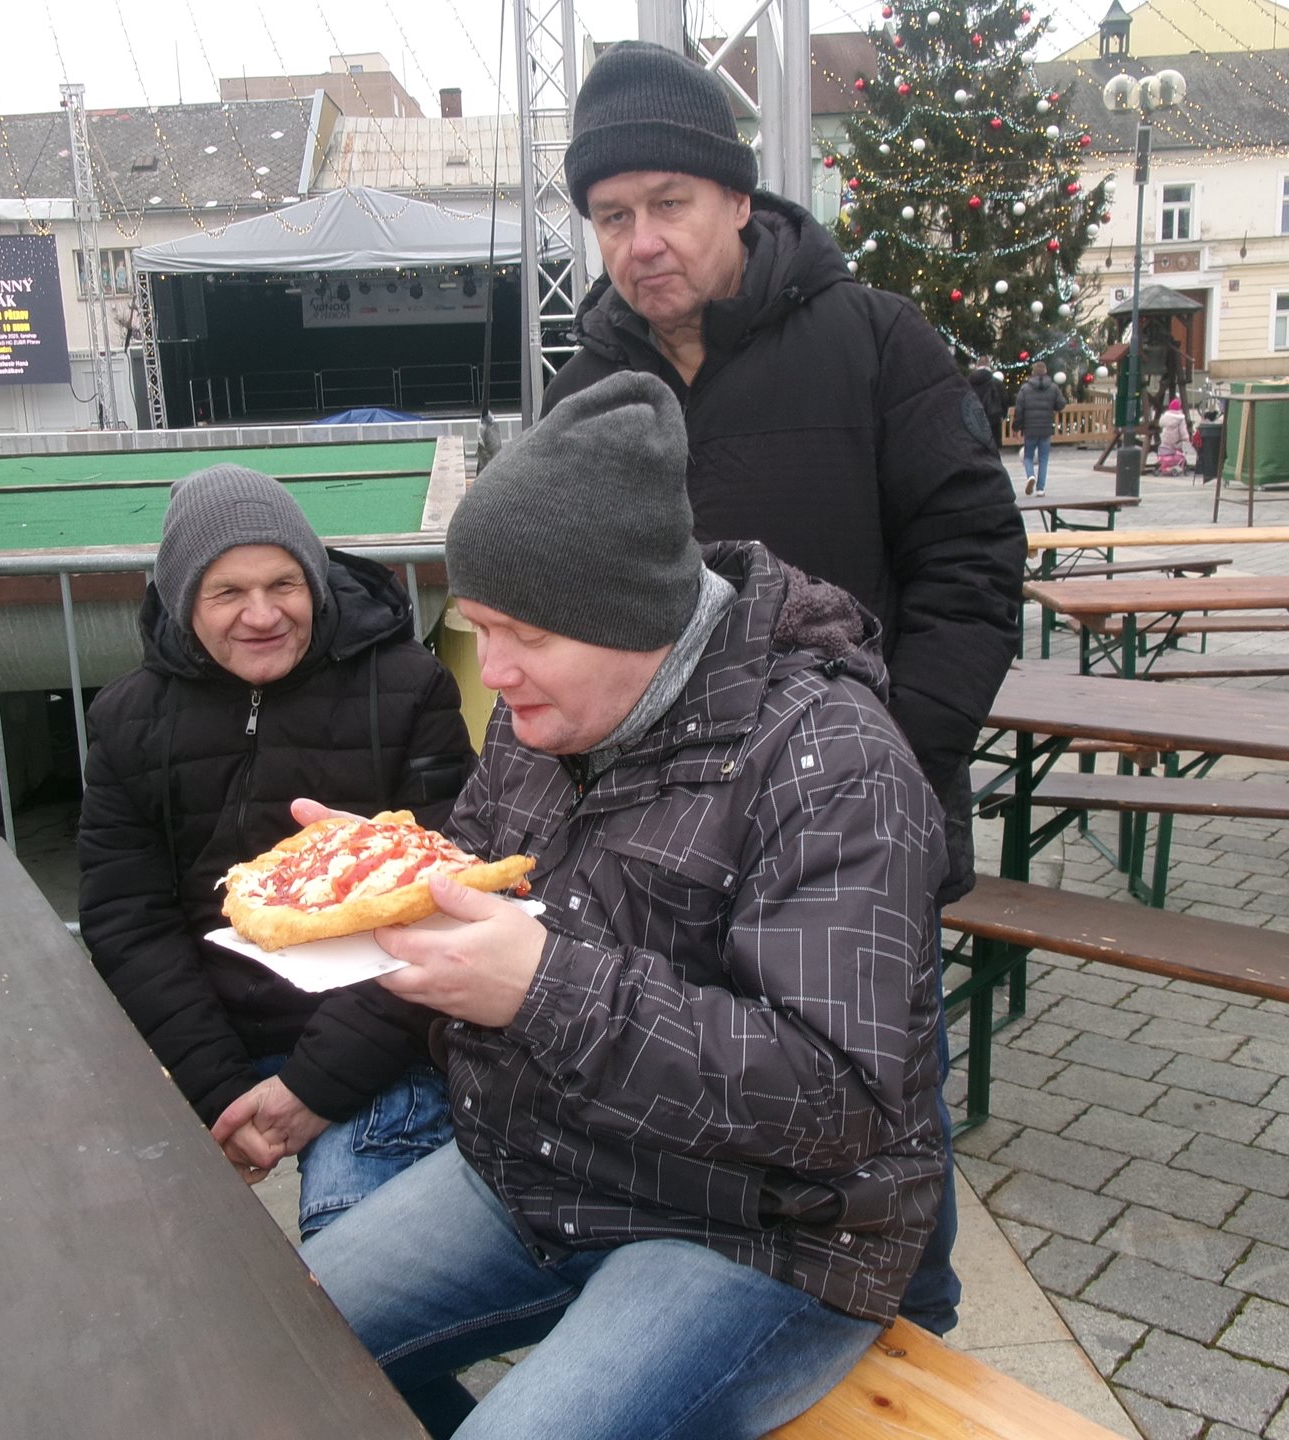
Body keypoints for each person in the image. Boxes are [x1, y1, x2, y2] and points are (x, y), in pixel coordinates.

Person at [262, 372, 946, 1440]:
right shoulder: (538, 718)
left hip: (760, 1232)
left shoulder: (835, 763)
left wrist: (542, 989)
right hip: (537, 1170)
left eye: (523, 635)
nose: (493, 672)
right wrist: (375, 876)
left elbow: (836, 1102)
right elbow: (476, 895)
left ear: (631, 616)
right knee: (260, 1340)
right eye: (477, 627)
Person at [542, 37, 1017, 1337]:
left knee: (883, 1108)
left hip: (858, 820)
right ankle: (727, 1331)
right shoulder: (587, 390)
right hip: (665, 840)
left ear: (739, 199)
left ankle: (916, 1342)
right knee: (709, 1094)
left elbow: (973, 564)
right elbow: (562, 610)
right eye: (612, 215)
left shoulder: (875, 340)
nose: (642, 241)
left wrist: (899, 771)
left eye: (669, 203)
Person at [78, 464, 475, 1233]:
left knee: (354, 1250)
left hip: (378, 1037)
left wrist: (312, 1089)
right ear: (184, 600)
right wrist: (221, 1091)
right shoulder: (128, 720)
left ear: (315, 583)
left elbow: (444, 900)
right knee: (143, 1248)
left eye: (283, 584)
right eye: (227, 592)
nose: (261, 615)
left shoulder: (407, 688)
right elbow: (130, 923)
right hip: (202, 1036)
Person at [1013, 361, 1066, 495]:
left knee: (1028, 456)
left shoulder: (1025, 389)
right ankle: (1040, 488)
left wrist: (1016, 427)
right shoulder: (1053, 387)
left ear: (1032, 372)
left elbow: (1019, 410)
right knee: (1043, 459)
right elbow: (1061, 405)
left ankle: (1031, 475)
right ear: (1046, 371)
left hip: (1030, 428)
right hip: (1046, 427)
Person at [968, 362, 1009, 450]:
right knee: (993, 446)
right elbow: (1004, 399)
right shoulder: (997, 382)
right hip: (993, 417)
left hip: (974, 417)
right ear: (989, 366)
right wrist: (1003, 414)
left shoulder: (969, 381)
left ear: (977, 366)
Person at [1156, 396, 1195, 477]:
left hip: (1165, 441)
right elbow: (1183, 431)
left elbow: (1160, 424)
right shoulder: (1180, 419)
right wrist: (1186, 439)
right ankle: (1179, 466)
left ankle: (1165, 466)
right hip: (1176, 441)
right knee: (1180, 453)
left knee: (1165, 450)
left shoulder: (1165, 417)